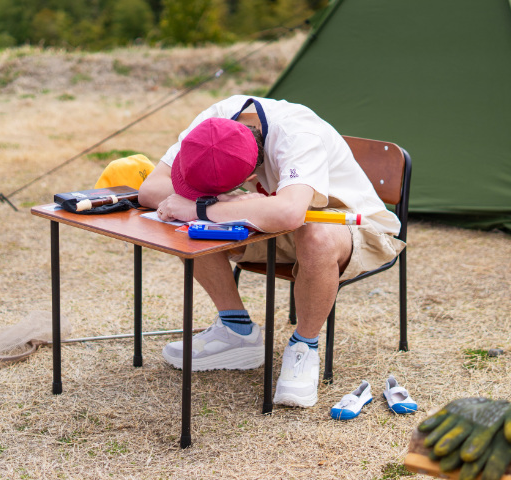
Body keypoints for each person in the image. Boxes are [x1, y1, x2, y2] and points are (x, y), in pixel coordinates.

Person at [138, 95, 405, 408]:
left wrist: (202, 207)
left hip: (352, 226)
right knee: (182, 224)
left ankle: (304, 346)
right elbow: (150, 190)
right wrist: (212, 205)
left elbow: (291, 213)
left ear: (251, 176)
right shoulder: (213, 124)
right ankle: (236, 330)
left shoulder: (297, 135)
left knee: (314, 234)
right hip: (278, 224)